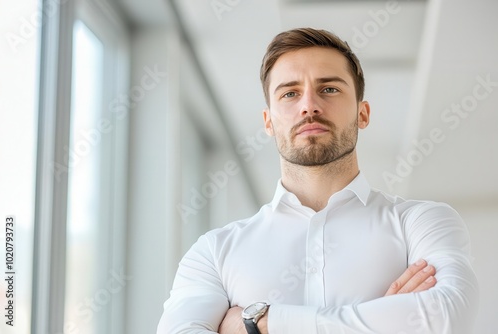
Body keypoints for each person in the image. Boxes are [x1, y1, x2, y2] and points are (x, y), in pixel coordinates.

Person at [157, 27, 478, 334]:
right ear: (268, 121)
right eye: (290, 93)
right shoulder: (214, 251)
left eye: (329, 89)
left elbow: (448, 317)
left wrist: (260, 323)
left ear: (362, 113)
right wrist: (382, 322)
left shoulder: (421, 222)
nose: (309, 105)